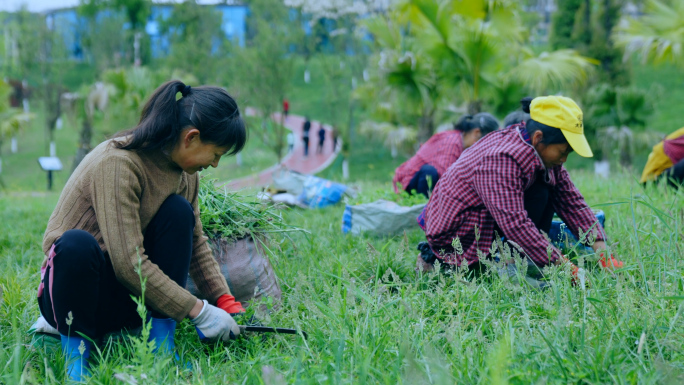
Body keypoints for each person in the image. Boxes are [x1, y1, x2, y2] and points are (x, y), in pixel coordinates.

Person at [36, 81, 248, 381]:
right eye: (216, 154)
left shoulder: (184, 174)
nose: (214, 164)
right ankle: (77, 359)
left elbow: (196, 244)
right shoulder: (119, 163)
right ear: (191, 138)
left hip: (130, 300)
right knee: (75, 245)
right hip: (73, 299)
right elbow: (127, 263)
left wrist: (225, 302)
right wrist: (199, 311)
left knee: (179, 213)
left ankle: (161, 346)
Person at [420, 96, 623, 278]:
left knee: (547, 187)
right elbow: (516, 224)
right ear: (538, 138)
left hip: (487, 220)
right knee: (540, 192)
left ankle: (523, 258)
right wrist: (567, 268)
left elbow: (571, 201)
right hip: (458, 231)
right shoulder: (503, 159)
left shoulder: (536, 152)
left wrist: (603, 252)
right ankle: (498, 264)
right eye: (562, 151)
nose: (564, 159)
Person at [392, 112, 500, 198]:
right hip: (408, 184)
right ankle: (422, 209)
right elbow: (447, 180)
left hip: (429, 183)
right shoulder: (452, 142)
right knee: (429, 172)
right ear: (476, 133)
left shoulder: (462, 144)